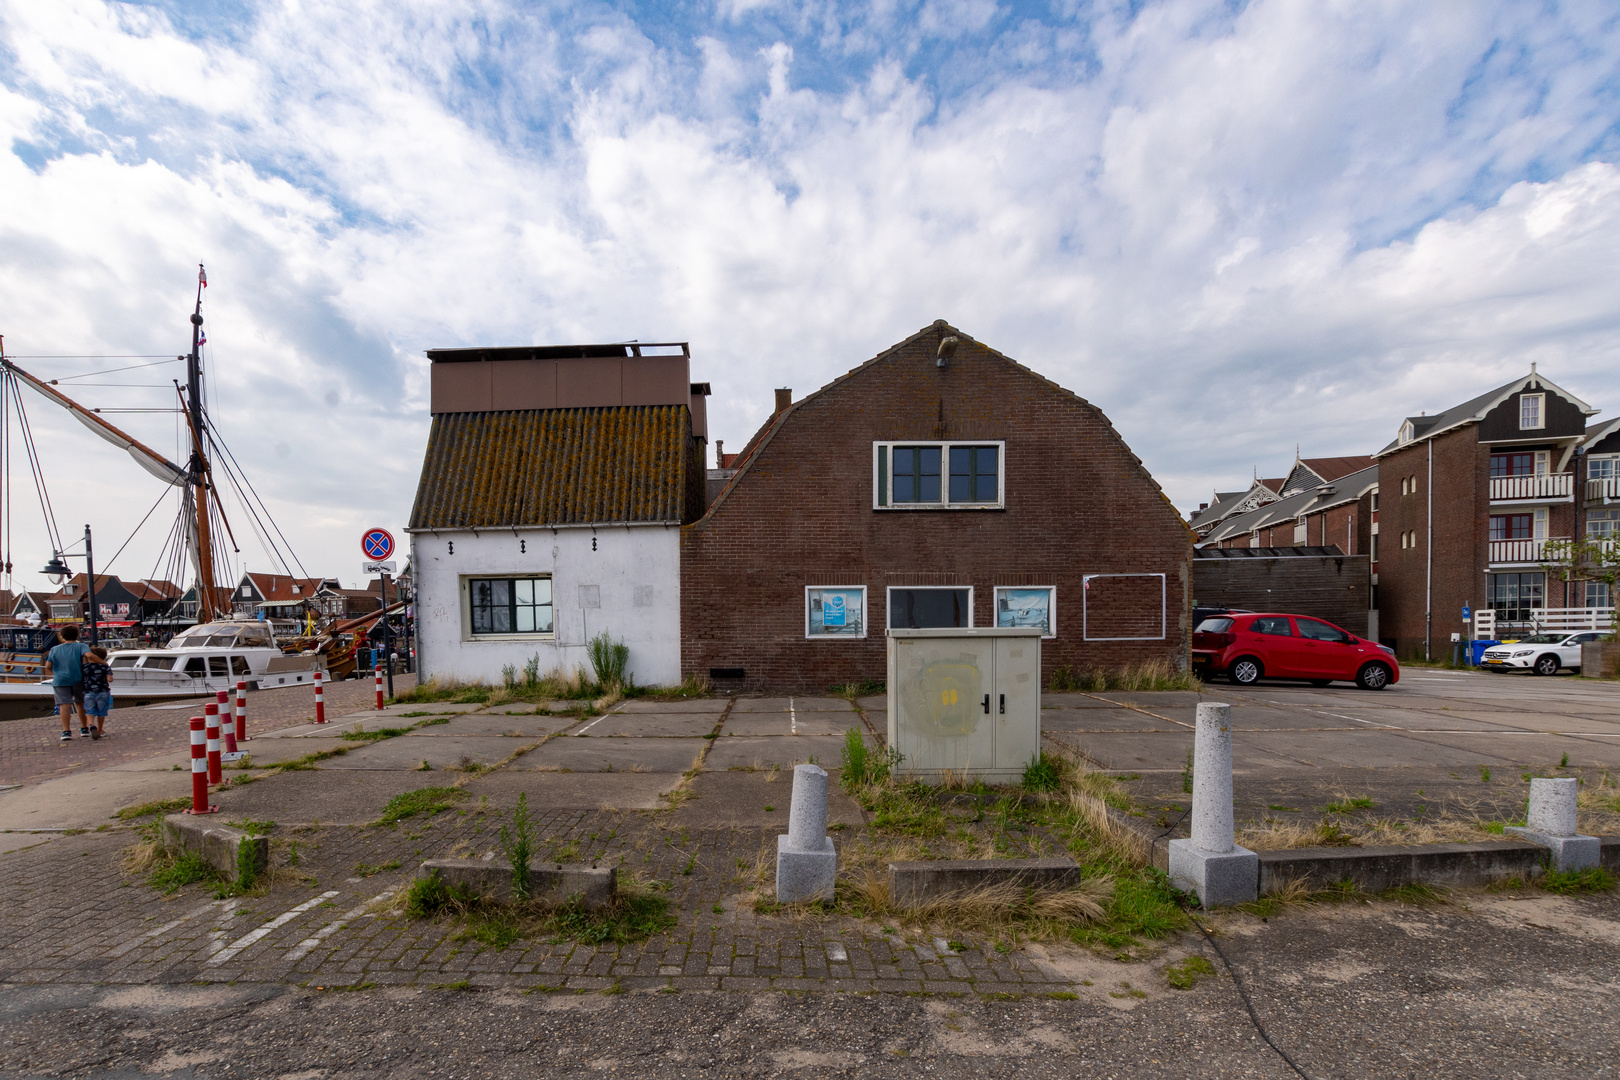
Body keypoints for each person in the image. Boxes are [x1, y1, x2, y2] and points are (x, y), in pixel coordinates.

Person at [43, 625, 91, 742]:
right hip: (78, 678)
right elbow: (88, 656)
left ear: (62, 636)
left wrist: (56, 673)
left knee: (64, 705)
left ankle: (66, 731)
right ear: (77, 635)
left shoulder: (54, 649)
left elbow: (48, 666)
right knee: (80, 703)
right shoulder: (81, 646)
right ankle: (84, 728)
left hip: (60, 680)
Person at [82, 646, 112, 741]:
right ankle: (100, 730)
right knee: (101, 712)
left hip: (88, 692)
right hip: (103, 692)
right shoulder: (105, 666)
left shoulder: (84, 667)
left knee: (89, 710)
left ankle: (91, 725)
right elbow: (110, 679)